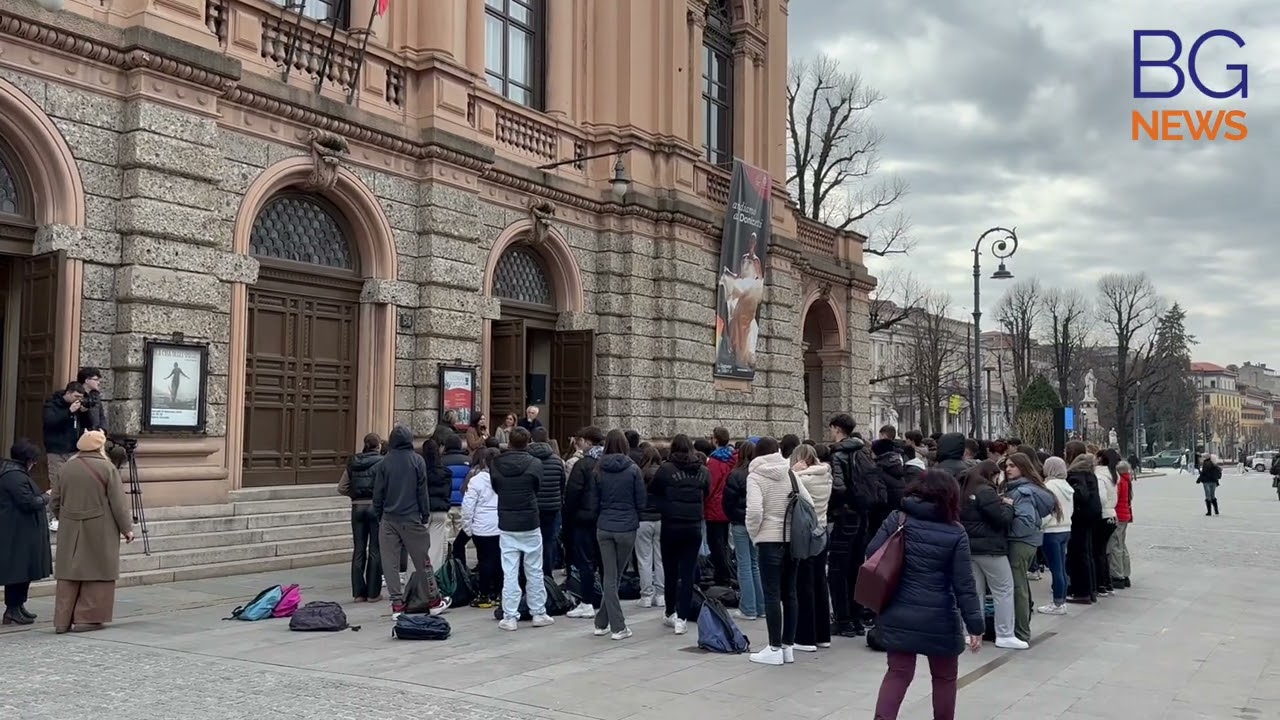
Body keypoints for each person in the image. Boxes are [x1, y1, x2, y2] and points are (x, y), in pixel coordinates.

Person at [869, 469, 985, 720]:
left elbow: (872, 554)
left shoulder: (897, 519)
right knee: (944, 677)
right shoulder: (955, 532)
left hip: (898, 608)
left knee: (898, 672)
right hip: (940, 615)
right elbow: (964, 583)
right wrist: (975, 625)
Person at [50, 430, 133, 633]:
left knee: (68, 573)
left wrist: (66, 518)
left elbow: (54, 501)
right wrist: (127, 529)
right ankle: (88, 618)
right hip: (100, 526)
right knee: (98, 570)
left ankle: (62, 620)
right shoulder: (107, 468)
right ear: (100, 447)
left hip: (70, 526)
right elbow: (118, 503)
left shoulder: (66, 467)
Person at [745, 436, 812, 666]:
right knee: (789, 593)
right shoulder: (790, 472)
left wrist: (755, 534)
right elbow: (808, 502)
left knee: (771, 594)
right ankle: (787, 646)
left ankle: (773, 647)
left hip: (768, 539)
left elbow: (754, 510)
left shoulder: (755, 476)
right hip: (791, 541)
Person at [374, 425, 450, 618]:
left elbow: (378, 494)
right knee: (423, 561)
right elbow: (421, 491)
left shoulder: (384, 463)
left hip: (389, 519)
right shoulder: (417, 461)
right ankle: (433, 600)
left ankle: (397, 606)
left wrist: (380, 515)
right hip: (412, 518)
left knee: (390, 564)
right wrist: (424, 515)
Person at [489, 427, 555, 630]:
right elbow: (537, 487)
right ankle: (538, 612)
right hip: (529, 519)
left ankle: (509, 616)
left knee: (509, 570)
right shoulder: (535, 463)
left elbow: (496, 487)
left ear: (509, 441)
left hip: (507, 519)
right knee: (534, 568)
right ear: (527, 442)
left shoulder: (496, 463)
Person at [652, 433, 710, 635]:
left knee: (670, 571)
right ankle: (683, 618)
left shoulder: (666, 469)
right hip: (693, 526)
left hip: (670, 525)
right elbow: (707, 492)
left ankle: (670, 612)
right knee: (687, 573)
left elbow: (654, 491)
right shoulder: (702, 470)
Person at [592, 429, 646, 640]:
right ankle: (618, 626)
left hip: (604, 526)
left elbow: (593, 501)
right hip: (626, 527)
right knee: (614, 576)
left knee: (610, 576)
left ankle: (601, 622)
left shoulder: (598, 468)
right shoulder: (633, 469)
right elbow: (641, 501)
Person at [959, 460, 1019, 648]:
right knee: (1004, 589)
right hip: (991, 548)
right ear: (991, 474)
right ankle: (1005, 634)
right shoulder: (986, 491)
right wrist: (1008, 505)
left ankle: (971, 632)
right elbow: (1001, 519)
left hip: (969, 547)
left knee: (974, 592)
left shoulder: (965, 490)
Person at [1002, 452, 1058, 644]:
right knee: (1021, 586)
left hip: (1020, 542)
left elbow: (1026, 521)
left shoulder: (1022, 491)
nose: (1008, 469)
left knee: (1018, 588)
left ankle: (1021, 632)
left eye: (1012, 466)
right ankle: (1021, 628)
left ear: (1023, 468)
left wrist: (1007, 528)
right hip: (1027, 542)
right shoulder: (1026, 488)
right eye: (1007, 466)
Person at [827, 412, 870, 637]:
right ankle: (857, 619)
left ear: (836, 428)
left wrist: (831, 507)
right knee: (856, 567)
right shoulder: (864, 450)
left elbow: (839, 487)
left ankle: (843, 621)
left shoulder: (839, 453)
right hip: (863, 515)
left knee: (837, 569)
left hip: (845, 516)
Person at [0, 440, 52, 625]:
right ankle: (12, 609)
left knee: (23, 572)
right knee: (17, 573)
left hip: (22, 533)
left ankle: (18, 606)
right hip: (16, 534)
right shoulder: (14, 476)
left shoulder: (15, 473)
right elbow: (28, 502)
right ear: (27, 459)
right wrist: (46, 497)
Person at [789, 443, 832, 652]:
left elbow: (793, 489)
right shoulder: (826, 475)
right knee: (820, 582)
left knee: (803, 585)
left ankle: (805, 637)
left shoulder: (802, 478)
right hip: (822, 530)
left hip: (805, 533)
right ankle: (823, 635)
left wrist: (794, 471)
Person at [563, 426, 605, 618]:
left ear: (589, 442)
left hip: (584, 519)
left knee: (585, 562)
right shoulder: (609, 461)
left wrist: (569, 517)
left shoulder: (584, 464)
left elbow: (572, 493)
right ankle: (607, 601)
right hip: (606, 519)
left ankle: (587, 601)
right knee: (605, 561)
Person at [337, 433, 384, 602]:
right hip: (375, 507)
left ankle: (358, 593)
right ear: (378, 446)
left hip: (357, 507)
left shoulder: (353, 462)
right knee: (375, 549)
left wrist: (354, 495)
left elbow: (341, 487)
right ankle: (373, 593)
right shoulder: (382, 462)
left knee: (359, 548)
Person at [723, 439, 763, 621]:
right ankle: (761, 606)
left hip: (740, 523)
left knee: (744, 565)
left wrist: (732, 516)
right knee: (755, 564)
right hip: (758, 523)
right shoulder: (761, 474)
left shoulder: (736, 474)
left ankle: (748, 607)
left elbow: (728, 501)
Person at [42, 381, 86, 532]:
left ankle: (70, 516)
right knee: (57, 484)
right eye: (75, 396)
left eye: (80, 397)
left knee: (74, 483)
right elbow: (50, 422)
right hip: (56, 450)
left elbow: (88, 424)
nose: (77, 399)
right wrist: (69, 412)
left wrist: (84, 412)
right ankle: (54, 517)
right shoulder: (52, 404)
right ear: (68, 393)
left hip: (73, 450)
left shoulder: (78, 407)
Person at [461, 447, 501, 608]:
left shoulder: (476, 481)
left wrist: (467, 527)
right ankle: (498, 593)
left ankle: (484, 595)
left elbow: (468, 506)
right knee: (499, 559)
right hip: (499, 525)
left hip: (481, 526)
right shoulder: (503, 479)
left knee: (484, 560)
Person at [1064, 441, 1101, 604]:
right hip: (1090, 517)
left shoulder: (1075, 474)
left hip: (1078, 517)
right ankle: (1090, 590)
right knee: (1086, 553)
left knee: (1077, 554)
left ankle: (1082, 591)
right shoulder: (1089, 472)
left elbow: (1081, 495)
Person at [1037, 456, 1075, 615]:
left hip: (1051, 530)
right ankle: (1061, 600)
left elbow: (1047, 509)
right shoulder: (1066, 486)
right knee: (1060, 566)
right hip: (1065, 529)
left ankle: (1058, 602)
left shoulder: (1049, 486)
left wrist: (1040, 524)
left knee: (1055, 568)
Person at [529, 427, 566, 578]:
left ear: (532, 439)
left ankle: (532, 573)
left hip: (533, 506)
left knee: (531, 541)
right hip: (552, 507)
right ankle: (547, 574)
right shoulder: (557, 461)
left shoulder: (528, 459)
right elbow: (562, 484)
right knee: (548, 541)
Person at [634, 444, 665, 608]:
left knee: (644, 559)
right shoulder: (663, 473)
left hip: (643, 519)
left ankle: (646, 595)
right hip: (661, 518)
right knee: (660, 559)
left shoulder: (639, 473)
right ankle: (661, 595)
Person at [704, 427, 735, 587]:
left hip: (715, 508)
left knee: (715, 544)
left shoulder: (715, 462)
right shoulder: (732, 458)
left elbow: (711, 485)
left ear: (715, 440)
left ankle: (723, 576)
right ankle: (725, 572)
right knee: (723, 542)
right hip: (728, 506)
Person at [418, 439, 453, 571]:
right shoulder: (446, 473)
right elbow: (448, 492)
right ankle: (433, 576)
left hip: (423, 510)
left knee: (420, 546)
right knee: (436, 547)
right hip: (440, 511)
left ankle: (419, 574)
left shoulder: (421, 471)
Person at [1092, 448, 1120, 596]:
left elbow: (1101, 497)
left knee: (1097, 551)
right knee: (1102, 551)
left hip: (1102, 515)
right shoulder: (1112, 475)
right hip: (1112, 515)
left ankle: (1101, 584)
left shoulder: (1099, 476)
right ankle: (1107, 583)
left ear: (1101, 459)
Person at [440, 435, 471, 564]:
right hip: (463, 502)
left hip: (446, 503)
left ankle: (444, 564)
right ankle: (461, 564)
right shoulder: (468, 461)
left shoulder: (441, 461)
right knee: (461, 537)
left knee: (444, 537)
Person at [1109, 460, 1134, 589]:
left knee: (1116, 546)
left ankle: (1118, 575)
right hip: (1125, 515)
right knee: (1122, 545)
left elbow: (1115, 498)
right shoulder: (1127, 480)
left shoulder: (1120, 482)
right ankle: (1125, 573)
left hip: (1118, 515)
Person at [76, 367, 109, 432]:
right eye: (96, 380)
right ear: (87, 380)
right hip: (82, 434)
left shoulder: (96, 396)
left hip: (96, 434)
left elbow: (101, 416)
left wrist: (103, 429)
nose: (98, 383)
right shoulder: (77, 395)